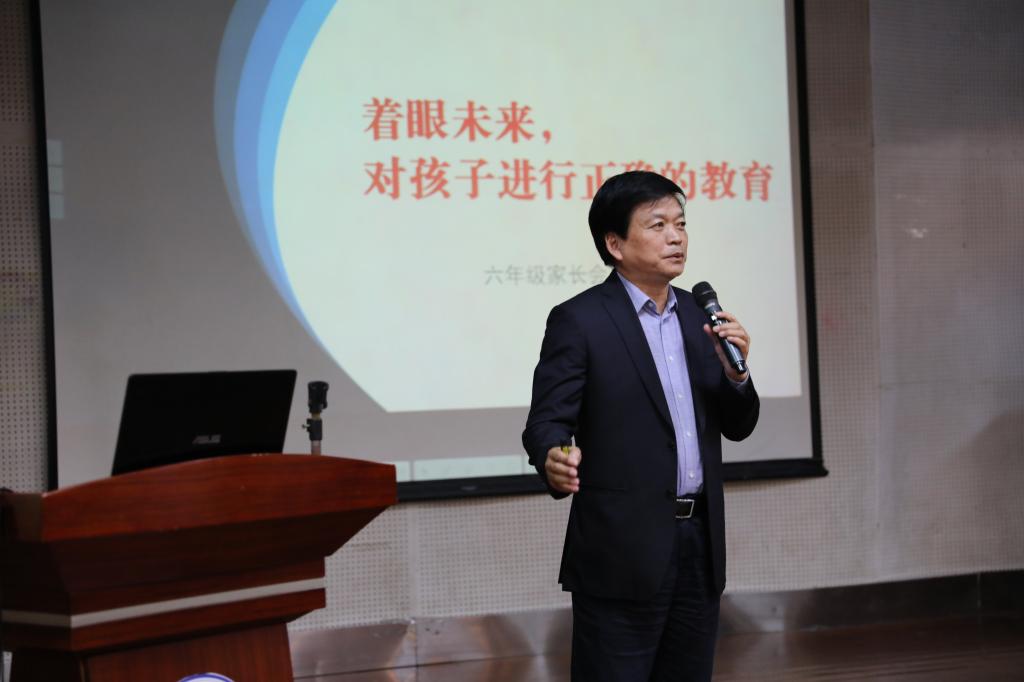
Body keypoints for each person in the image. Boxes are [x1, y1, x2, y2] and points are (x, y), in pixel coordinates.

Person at [522, 171, 759, 681]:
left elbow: (739, 425)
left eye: (681, 224)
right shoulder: (580, 320)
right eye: (658, 225)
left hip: (699, 545)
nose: (676, 237)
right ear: (615, 244)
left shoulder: (700, 315)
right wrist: (553, 456)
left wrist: (738, 376)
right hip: (620, 550)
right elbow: (546, 421)